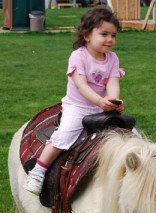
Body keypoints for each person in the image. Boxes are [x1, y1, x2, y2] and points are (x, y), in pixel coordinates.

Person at [24, 5, 125, 195]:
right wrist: (99, 101)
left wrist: (113, 100)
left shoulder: (112, 58)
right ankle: (38, 171)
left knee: (130, 133)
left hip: (100, 106)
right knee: (64, 136)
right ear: (87, 35)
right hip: (78, 106)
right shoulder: (78, 56)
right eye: (104, 34)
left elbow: (113, 82)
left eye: (113, 35)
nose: (110, 39)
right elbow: (81, 85)